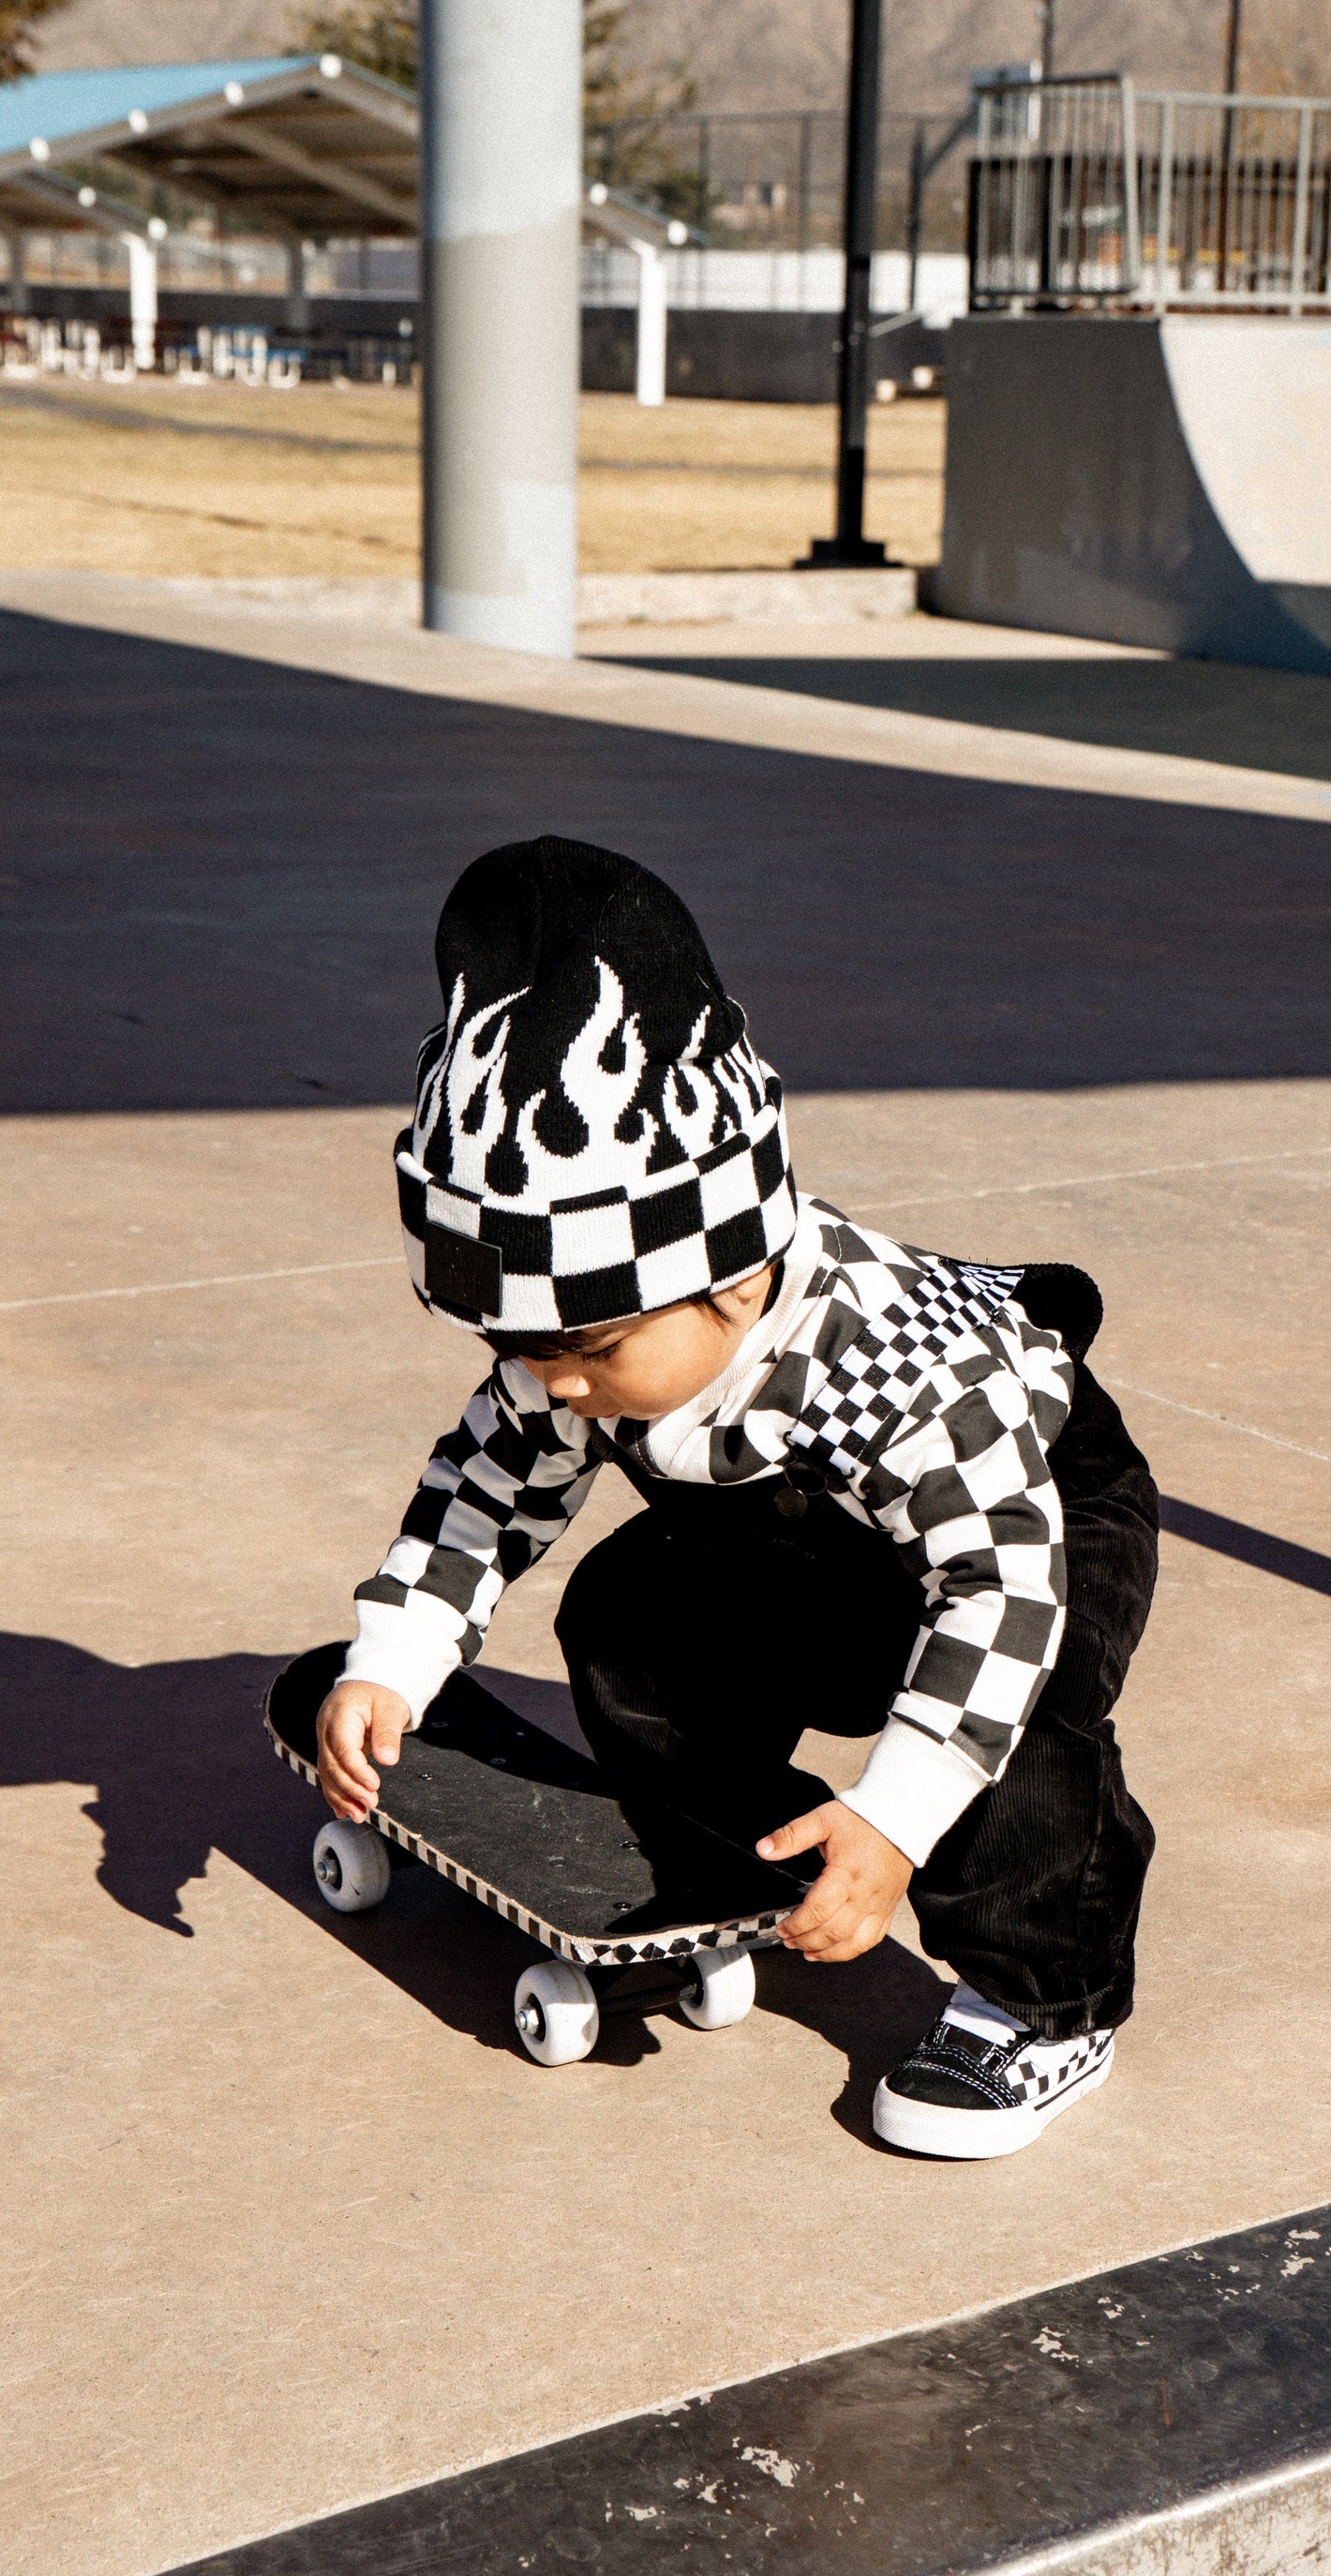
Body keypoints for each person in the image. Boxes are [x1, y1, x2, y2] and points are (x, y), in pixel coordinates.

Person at [316, 835, 1159, 2159]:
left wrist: (896, 1812)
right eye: (519, 1348)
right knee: (630, 1619)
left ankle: (1044, 2003)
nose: (557, 1384)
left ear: (737, 1277)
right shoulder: (574, 1349)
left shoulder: (905, 1368)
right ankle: (744, 1853)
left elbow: (995, 1591)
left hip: (1024, 1520)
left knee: (1020, 1721)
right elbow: (480, 1492)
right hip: (799, 1532)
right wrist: (397, 1654)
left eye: (591, 1351)